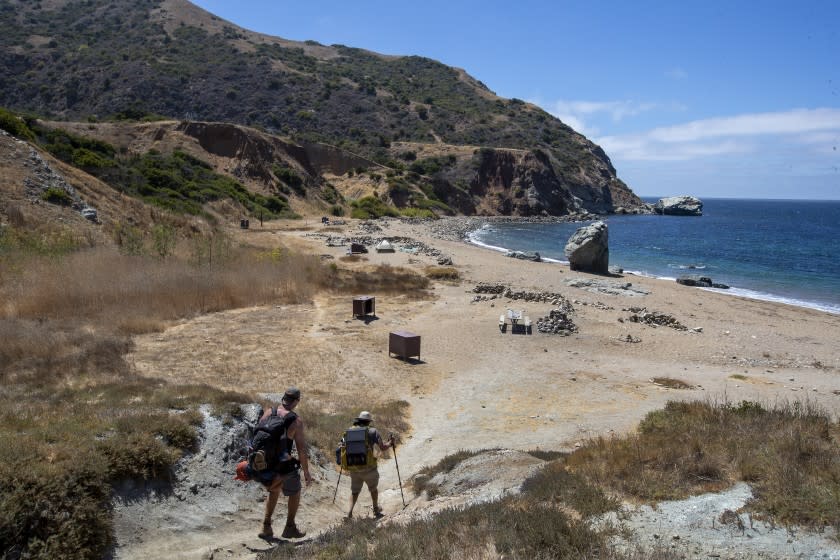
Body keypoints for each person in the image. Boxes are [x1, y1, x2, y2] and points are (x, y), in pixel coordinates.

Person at [256, 387, 314, 540]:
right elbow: (301, 449)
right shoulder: (295, 420)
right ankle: (290, 527)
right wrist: (306, 472)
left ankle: (266, 526)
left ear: (283, 398)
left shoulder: (269, 412)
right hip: (282, 463)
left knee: (273, 490)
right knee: (295, 491)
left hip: (266, 461)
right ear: (296, 402)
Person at [344, 410, 395, 519]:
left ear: (359, 420)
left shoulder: (349, 431)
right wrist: (390, 443)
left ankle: (349, 512)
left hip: (354, 468)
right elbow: (382, 447)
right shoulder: (372, 431)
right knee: (373, 489)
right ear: (368, 421)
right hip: (369, 468)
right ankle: (376, 509)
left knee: (355, 492)